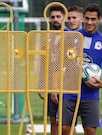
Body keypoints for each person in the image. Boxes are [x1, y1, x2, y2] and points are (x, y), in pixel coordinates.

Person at [62, 4, 102, 135]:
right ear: (83, 19)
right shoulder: (72, 37)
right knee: (65, 128)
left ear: (99, 20)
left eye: (93, 19)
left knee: (90, 130)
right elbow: (59, 62)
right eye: (87, 18)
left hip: (90, 93)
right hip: (69, 90)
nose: (89, 22)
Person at [37, 5, 68, 135]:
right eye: (53, 17)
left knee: (67, 123)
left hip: (67, 84)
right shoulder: (48, 37)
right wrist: (40, 83)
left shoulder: (71, 36)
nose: (55, 19)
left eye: (58, 17)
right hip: (50, 84)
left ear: (64, 17)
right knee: (53, 120)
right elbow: (44, 62)